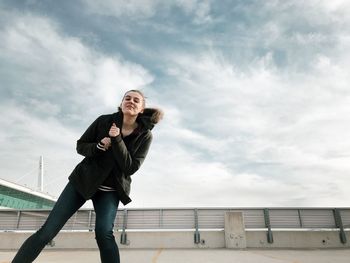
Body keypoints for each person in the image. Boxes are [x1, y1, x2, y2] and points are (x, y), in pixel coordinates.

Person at [12, 90, 163, 263]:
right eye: (127, 98)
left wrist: (117, 139)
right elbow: (81, 146)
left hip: (110, 190)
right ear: (121, 104)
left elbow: (130, 167)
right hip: (82, 182)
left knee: (104, 234)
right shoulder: (103, 121)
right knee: (47, 231)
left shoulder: (145, 135)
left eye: (136, 100)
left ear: (142, 109)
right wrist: (99, 146)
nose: (131, 101)